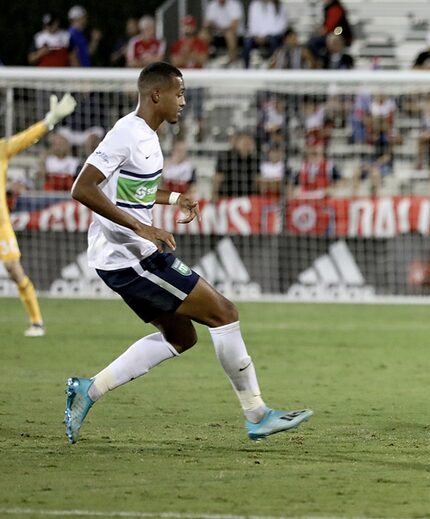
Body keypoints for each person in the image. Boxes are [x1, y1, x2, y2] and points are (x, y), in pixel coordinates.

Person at [65, 62, 312, 444]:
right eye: (178, 93)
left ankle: (88, 389)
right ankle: (257, 414)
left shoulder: (147, 135)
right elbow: (82, 188)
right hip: (132, 258)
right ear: (155, 95)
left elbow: (134, 192)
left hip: (129, 255)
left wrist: (176, 198)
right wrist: (141, 227)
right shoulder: (126, 133)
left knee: (181, 338)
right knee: (224, 313)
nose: (183, 101)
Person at [0, 93, 76, 336]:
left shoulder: (1, 149)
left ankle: (36, 322)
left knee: (13, 269)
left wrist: (50, 120)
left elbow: (26, 138)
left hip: (1, 224)